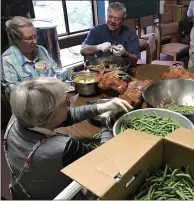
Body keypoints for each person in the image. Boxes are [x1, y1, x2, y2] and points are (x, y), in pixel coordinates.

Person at [4, 77, 133, 199]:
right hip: (52, 195)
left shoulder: (20, 115)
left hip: (25, 188)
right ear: (50, 115)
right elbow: (102, 158)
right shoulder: (65, 148)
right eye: (65, 102)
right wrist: (106, 124)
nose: (70, 104)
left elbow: (65, 117)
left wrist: (100, 108)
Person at [1, 16, 71, 98]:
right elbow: (12, 92)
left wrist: (66, 74)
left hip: (53, 97)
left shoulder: (41, 50)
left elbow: (56, 71)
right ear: (16, 40)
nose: (34, 42)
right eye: (29, 38)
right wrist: (40, 86)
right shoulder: (8, 59)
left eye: (35, 36)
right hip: (31, 106)